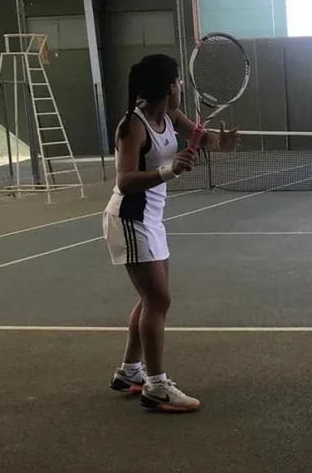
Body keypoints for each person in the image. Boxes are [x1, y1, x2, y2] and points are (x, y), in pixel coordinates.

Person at [103, 53, 238, 413]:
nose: (181, 86)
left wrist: (219, 143)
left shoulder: (170, 116)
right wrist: (169, 171)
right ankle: (157, 386)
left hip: (151, 219)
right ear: (168, 86)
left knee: (152, 299)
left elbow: (201, 137)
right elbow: (125, 180)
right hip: (130, 218)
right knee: (158, 301)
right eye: (178, 80)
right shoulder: (132, 126)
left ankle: (130, 371)